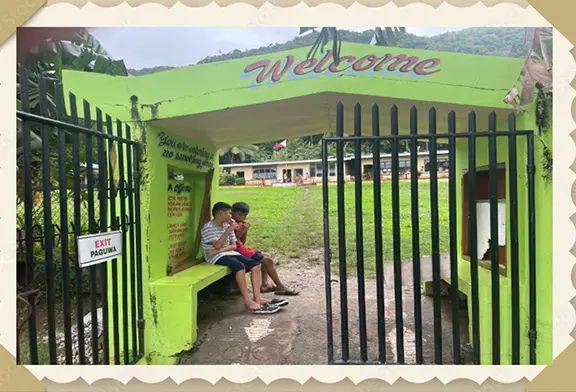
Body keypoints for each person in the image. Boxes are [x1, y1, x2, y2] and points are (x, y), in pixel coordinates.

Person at [201, 202, 282, 314]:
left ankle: (257, 297)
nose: (231, 216)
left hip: (227, 252)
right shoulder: (208, 228)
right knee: (240, 267)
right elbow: (218, 245)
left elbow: (234, 245)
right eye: (229, 213)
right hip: (215, 257)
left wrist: (220, 249)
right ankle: (247, 300)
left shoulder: (228, 224)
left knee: (256, 264)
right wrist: (228, 232)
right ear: (221, 213)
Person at [231, 202, 300, 296]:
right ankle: (279, 287)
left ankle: (265, 285)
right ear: (232, 212)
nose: (242, 217)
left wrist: (245, 231)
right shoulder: (231, 224)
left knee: (266, 257)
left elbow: (242, 242)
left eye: (245, 215)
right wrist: (243, 230)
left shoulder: (238, 223)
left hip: (241, 249)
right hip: (236, 251)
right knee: (267, 260)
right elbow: (234, 239)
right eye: (239, 214)